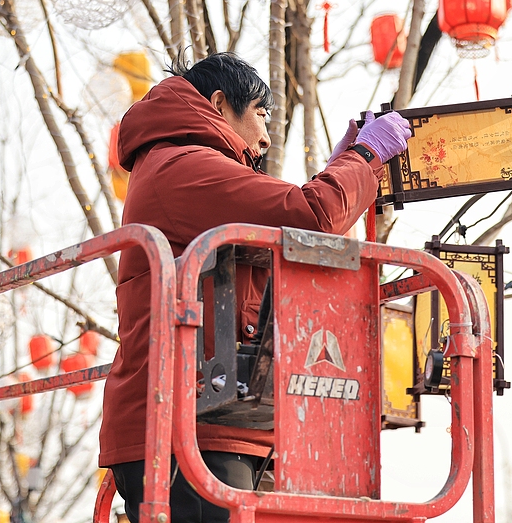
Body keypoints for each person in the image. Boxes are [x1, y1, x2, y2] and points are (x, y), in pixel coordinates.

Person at [99, 52, 412, 523]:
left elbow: (293, 234)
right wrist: (364, 158)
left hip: (209, 415)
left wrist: (341, 167)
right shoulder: (183, 165)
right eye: (261, 115)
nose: (266, 137)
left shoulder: (175, 164)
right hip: (190, 423)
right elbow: (310, 216)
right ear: (221, 104)